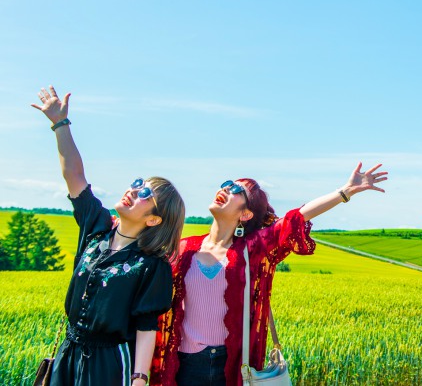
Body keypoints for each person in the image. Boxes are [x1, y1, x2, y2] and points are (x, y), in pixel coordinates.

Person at [151, 164, 388, 386]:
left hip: (231, 365)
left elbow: (296, 218)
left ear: (245, 214)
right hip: (184, 363)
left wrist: (345, 191)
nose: (225, 188)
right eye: (226, 184)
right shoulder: (183, 248)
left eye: (236, 189)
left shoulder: (251, 249)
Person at [32, 85, 186, 386]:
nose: (133, 190)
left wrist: (139, 379)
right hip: (69, 352)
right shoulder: (96, 228)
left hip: (110, 363)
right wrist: (60, 124)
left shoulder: (151, 266)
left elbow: (146, 326)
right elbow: (74, 176)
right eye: (137, 183)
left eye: (144, 194)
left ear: (154, 219)